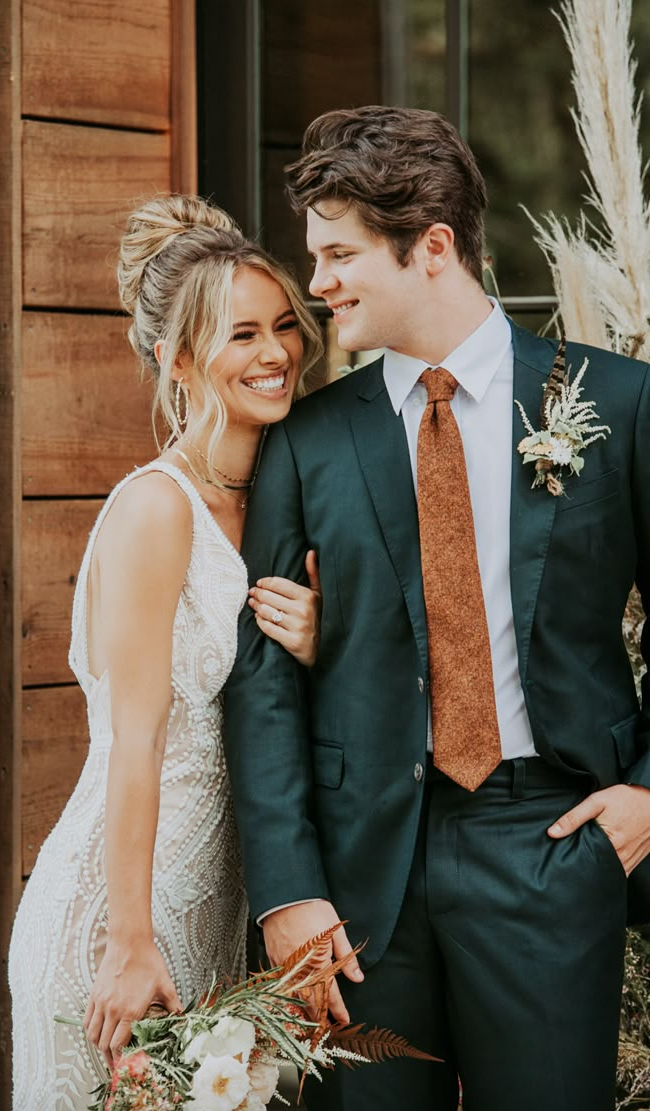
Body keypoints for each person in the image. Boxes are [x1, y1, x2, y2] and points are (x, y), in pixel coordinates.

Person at [224, 106, 650, 1110]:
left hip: (548, 842)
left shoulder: (620, 405)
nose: (315, 283)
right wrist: (288, 892)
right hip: (359, 882)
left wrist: (645, 795)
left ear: (432, 248)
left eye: (337, 254)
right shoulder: (307, 441)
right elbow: (263, 682)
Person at [8, 194, 324, 1110]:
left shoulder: (282, 492)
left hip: (221, 913)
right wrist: (129, 940)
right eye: (242, 336)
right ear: (176, 357)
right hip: (119, 918)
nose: (274, 355)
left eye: (282, 328)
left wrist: (315, 643)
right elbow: (135, 741)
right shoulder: (155, 509)